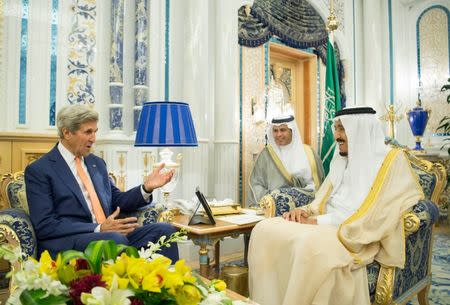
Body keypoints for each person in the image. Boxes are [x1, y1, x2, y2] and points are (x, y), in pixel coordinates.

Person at [248, 107, 423, 305]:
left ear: (359, 131)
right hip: (326, 222)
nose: (337, 136)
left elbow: (378, 213)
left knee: (308, 248)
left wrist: (316, 221)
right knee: (264, 229)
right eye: (336, 129)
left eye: (343, 129)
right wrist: (304, 211)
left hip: (356, 231)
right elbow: (323, 198)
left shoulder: (392, 161)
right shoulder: (340, 158)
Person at [25, 104, 179, 261]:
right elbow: (45, 225)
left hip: (108, 235)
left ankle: (168, 284)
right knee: (114, 241)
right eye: (88, 132)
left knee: (165, 231)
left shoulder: (96, 163)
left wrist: (146, 187)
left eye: (95, 132)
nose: (93, 138)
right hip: (70, 241)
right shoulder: (40, 170)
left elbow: (117, 200)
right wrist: (98, 228)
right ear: (67, 133)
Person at [247, 114, 324, 206]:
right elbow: (256, 183)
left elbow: (318, 185)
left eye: (283, 130)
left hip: (304, 207)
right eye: (275, 131)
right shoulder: (266, 154)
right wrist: (275, 199)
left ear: (292, 131)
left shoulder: (309, 153)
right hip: (274, 207)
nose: (279, 134)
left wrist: (297, 195)